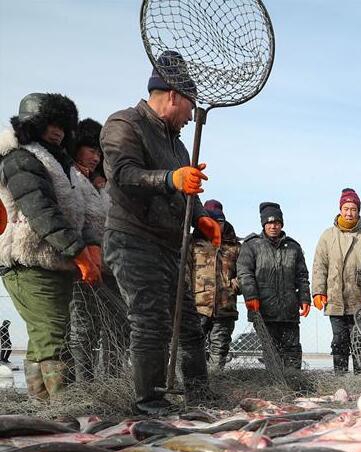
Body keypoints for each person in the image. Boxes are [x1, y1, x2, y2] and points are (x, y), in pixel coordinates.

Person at [101, 52, 221, 415]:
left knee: (188, 324)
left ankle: (201, 394)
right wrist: (172, 178)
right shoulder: (125, 123)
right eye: (189, 106)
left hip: (171, 246)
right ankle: (150, 402)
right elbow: (122, 174)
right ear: (173, 96)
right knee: (150, 320)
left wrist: (200, 217)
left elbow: (186, 190)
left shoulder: (178, 144)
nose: (190, 116)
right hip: (133, 239)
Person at [0, 93, 103, 399]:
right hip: (29, 263)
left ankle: (42, 408)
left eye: (62, 125)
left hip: (55, 262)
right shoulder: (21, 158)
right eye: (50, 124)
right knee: (55, 335)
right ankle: (63, 406)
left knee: (42, 338)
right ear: (32, 125)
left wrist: (92, 245)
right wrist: (76, 250)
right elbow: (40, 209)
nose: (57, 131)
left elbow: (85, 209)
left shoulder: (62, 163)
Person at [67, 117, 129, 383]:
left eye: (99, 152)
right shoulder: (69, 177)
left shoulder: (101, 186)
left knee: (119, 322)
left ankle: (113, 381)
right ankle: (85, 384)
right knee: (84, 325)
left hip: (109, 265)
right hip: (81, 264)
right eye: (91, 150)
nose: (95, 157)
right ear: (77, 147)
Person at [312, 188, 361, 373]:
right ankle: (340, 378)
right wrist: (318, 291)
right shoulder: (327, 236)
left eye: (353, 209)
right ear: (340, 210)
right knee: (339, 340)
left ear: (358, 211)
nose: (349, 212)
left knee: (360, 341)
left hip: (360, 299)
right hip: (335, 298)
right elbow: (320, 266)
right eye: (346, 208)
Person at [237, 202, 310, 369]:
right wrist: (251, 296)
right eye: (269, 223)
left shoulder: (293, 247)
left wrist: (305, 298)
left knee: (292, 351)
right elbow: (244, 273)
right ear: (263, 224)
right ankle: (275, 385)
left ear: (281, 224)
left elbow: (302, 276)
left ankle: (294, 384)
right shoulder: (251, 245)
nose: (273, 226)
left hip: (289, 311)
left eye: (277, 223)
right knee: (271, 352)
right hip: (263, 311)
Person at [189, 199, 240, 371]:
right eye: (213, 222)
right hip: (197, 307)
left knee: (220, 347)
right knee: (194, 346)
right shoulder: (192, 243)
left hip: (225, 306)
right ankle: (196, 382)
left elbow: (245, 273)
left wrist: (236, 284)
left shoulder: (235, 246)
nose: (218, 226)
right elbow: (183, 272)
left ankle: (215, 380)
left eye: (220, 222)